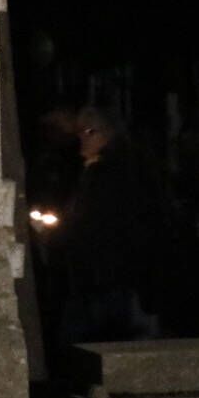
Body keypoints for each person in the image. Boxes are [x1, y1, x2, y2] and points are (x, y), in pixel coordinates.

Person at [59, 108, 167, 344]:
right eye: (79, 132)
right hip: (101, 276)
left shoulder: (115, 171)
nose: (82, 139)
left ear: (106, 135)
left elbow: (109, 222)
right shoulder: (91, 169)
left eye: (89, 132)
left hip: (115, 275)